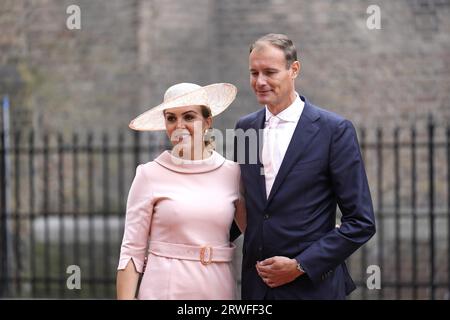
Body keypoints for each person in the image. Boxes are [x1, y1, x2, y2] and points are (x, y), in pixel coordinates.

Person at [233, 33, 376, 299]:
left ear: (294, 69)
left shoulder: (334, 130)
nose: (259, 81)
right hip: (256, 290)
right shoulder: (245, 129)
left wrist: (300, 266)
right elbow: (241, 204)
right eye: (254, 73)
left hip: (313, 289)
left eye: (270, 72)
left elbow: (361, 222)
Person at [116, 82, 245, 300]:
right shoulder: (149, 175)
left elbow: (256, 239)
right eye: (171, 118)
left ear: (207, 122)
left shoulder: (233, 174)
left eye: (189, 117)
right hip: (161, 291)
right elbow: (131, 251)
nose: (179, 125)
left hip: (218, 289)